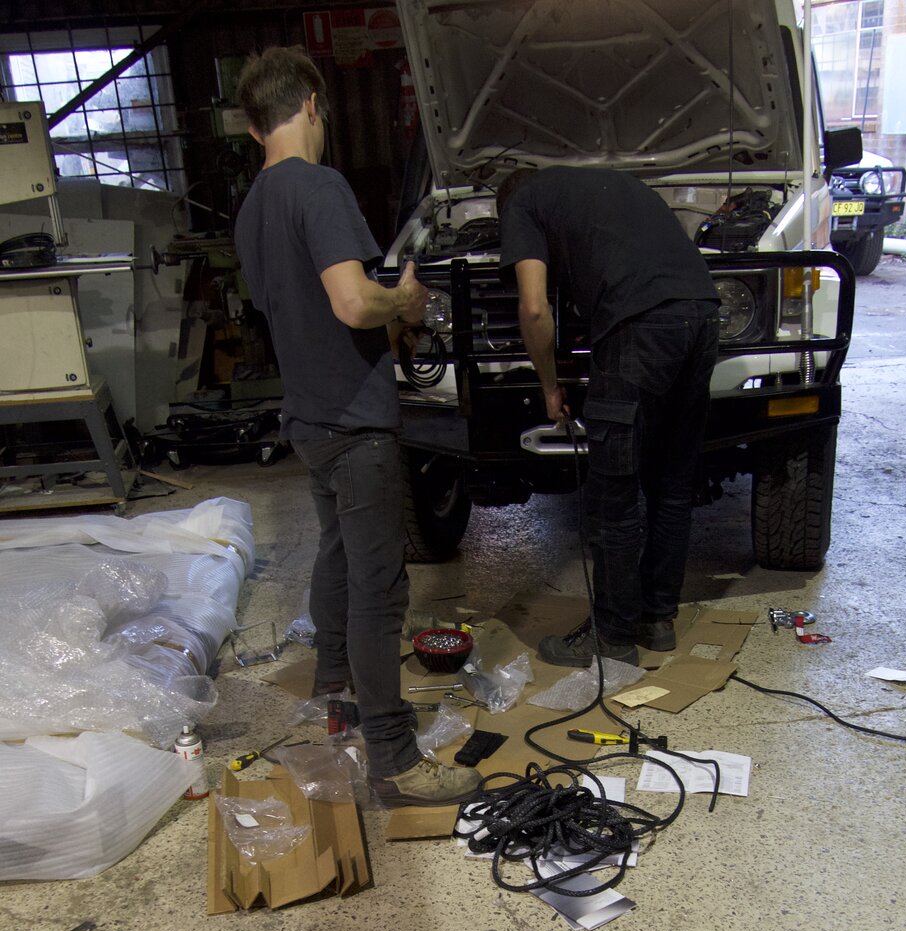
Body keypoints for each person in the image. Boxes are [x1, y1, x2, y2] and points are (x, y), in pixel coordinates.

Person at [234, 47, 480, 807]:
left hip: (308, 416)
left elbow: (301, 309)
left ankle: (336, 693)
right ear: (313, 104)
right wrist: (402, 305)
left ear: (252, 128)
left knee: (338, 557)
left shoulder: (251, 209)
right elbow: (349, 302)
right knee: (380, 588)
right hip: (354, 420)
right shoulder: (319, 185)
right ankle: (396, 761)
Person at [497, 166, 721, 665]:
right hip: (703, 315)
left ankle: (614, 636)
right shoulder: (608, 187)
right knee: (672, 481)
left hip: (638, 325)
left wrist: (550, 384)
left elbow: (533, 308)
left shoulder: (520, 201)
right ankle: (657, 620)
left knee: (613, 493)